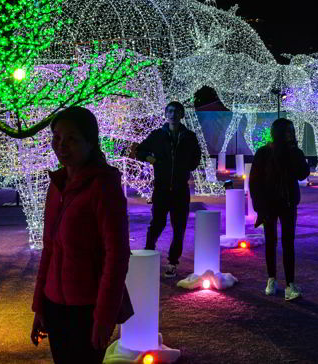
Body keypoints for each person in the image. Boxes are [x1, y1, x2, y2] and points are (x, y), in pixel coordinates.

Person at [30, 106, 132, 364]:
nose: (61, 145)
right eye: (57, 138)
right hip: (55, 306)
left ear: (90, 142)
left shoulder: (104, 186)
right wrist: (39, 305)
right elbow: (49, 250)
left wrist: (104, 317)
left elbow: (117, 256)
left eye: (72, 138)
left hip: (87, 309)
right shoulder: (57, 186)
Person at [136, 101, 201, 278]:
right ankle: (149, 252)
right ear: (166, 114)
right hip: (162, 188)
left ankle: (173, 262)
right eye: (170, 111)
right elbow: (140, 151)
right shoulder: (157, 135)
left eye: (176, 111)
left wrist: (186, 166)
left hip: (180, 189)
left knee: (179, 226)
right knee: (157, 223)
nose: (173, 114)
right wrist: (152, 160)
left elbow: (196, 157)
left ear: (182, 115)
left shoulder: (189, 136)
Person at [250, 118, 310, 301]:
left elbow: (303, 173)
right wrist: (259, 206)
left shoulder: (293, 152)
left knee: (288, 242)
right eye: (287, 131)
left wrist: (295, 151)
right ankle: (272, 279)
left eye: (292, 131)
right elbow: (255, 181)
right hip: (270, 203)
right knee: (270, 241)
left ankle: (290, 283)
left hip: (288, 203)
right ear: (278, 132)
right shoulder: (263, 153)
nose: (290, 134)